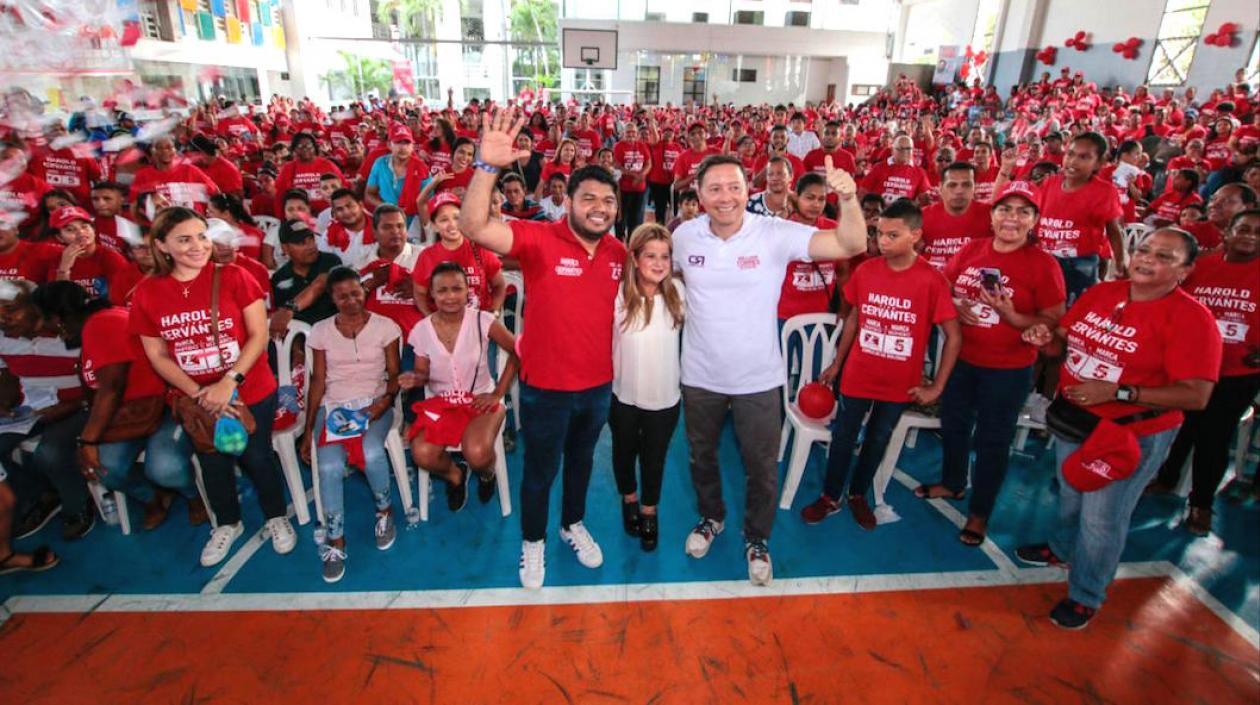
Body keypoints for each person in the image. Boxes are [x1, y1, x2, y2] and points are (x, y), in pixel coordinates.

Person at [672, 153, 866, 585]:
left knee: (760, 465)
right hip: (700, 375)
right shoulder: (684, 236)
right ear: (699, 194)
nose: (726, 197)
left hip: (758, 377)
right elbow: (666, 280)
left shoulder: (775, 234)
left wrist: (848, 199)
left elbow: (850, 245)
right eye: (715, 189)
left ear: (749, 190)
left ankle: (756, 538)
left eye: (735, 187)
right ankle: (711, 518)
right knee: (701, 457)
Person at [1016, 227, 1221, 629]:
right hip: (1076, 420)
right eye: (1144, 250)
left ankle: (1086, 593)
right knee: (1070, 491)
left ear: (1187, 270)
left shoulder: (1193, 320)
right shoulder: (1101, 294)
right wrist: (1044, 338)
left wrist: (1120, 392)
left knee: (1102, 516)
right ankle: (1060, 548)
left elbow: (1196, 395)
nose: (1147, 259)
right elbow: (1061, 342)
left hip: (1131, 433)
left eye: (1165, 257)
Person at [459, 110, 627, 590]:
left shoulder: (618, 253)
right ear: (568, 201)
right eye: (589, 198)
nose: (599, 207)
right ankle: (533, 541)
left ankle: (572, 524)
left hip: (597, 387)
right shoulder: (539, 238)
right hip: (546, 388)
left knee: (581, 464)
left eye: (608, 201)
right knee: (539, 471)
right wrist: (487, 168)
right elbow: (474, 225)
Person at [130, 207, 297, 567]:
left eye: (202, 236)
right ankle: (227, 523)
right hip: (196, 396)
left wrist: (228, 382)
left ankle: (275, 515)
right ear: (162, 245)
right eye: (184, 239)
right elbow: (157, 355)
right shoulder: (146, 293)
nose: (198, 246)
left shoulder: (235, 277)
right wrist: (198, 393)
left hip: (249, 388)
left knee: (257, 456)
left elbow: (258, 335)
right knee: (213, 460)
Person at [914, 181, 1066, 545]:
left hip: (1007, 370)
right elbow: (943, 285)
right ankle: (953, 483)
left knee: (992, 440)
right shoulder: (972, 249)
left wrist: (1014, 318)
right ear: (992, 215)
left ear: (1034, 221)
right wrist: (956, 304)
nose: (1011, 218)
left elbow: (1053, 322)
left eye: (1022, 211)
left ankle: (980, 513)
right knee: (952, 424)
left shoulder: (1043, 265)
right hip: (961, 361)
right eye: (1004, 209)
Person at [806, 199, 961, 530]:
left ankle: (858, 494)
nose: (882, 242)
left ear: (916, 235)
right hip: (858, 375)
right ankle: (830, 496)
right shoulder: (867, 270)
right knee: (844, 436)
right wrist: (837, 363)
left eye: (892, 235)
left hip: (898, 383)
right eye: (878, 234)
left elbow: (953, 335)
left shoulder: (931, 279)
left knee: (878, 439)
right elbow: (854, 319)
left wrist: (937, 386)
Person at [32, 281, 203, 531]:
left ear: (57, 317)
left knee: (165, 468)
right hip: (126, 415)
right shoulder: (91, 327)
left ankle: (193, 496)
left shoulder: (102, 324)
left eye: (42, 319)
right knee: (103, 468)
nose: (44, 328)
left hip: (163, 406)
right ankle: (153, 497)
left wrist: (87, 441)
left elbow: (112, 388)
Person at [1147, 209, 1260, 534]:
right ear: (1228, 231)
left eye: (1256, 231)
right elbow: (1169, 301)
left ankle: (1201, 504)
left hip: (1235, 372)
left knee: (1214, 436)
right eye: (1243, 229)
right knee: (1178, 427)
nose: (1249, 236)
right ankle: (1166, 479)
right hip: (1186, 365)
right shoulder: (1202, 267)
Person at [300, 267, 402, 583]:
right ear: (332, 299)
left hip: (374, 403)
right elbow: (317, 382)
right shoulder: (320, 331)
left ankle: (385, 511)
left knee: (372, 452)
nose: (351, 300)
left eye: (356, 293)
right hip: (334, 409)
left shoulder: (386, 327)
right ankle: (336, 538)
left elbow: (394, 377)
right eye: (342, 296)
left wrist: (381, 405)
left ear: (364, 291)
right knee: (328, 467)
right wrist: (307, 431)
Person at [404, 261, 518, 511]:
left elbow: (518, 351)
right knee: (421, 452)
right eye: (442, 290)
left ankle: (487, 473)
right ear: (432, 294)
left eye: (457, 288)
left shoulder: (483, 320)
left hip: (481, 398)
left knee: (477, 453)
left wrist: (498, 392)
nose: (450, 296)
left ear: (468, 291)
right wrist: (415, 378)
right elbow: (422, 374)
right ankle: (455, 476)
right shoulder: (422, 330)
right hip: (441, 403)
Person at [611, 223, 684, 552]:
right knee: (624, 452)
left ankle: (649, 509)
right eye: (650, 255)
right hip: (623, 395)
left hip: (665, 397)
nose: (658, 263)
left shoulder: (679, 295)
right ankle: (629, 497)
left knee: (655, 458)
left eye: (665, 256)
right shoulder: (618, 296)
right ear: (635, 258)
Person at [0, 281, 93, 539]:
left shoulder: (68, 333)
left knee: (50, 452)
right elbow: (6, 380)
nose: (3, 318)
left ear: (35, 309)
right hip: (31, 410)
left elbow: (103, 386)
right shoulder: (2, 338)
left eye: (10, 309)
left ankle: (77, 504)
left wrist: (73, 405)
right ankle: (41, 493)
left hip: (81, 406)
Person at [413, 193, 506, 316]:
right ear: (434, 226)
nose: (452, 224)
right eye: (444, 219)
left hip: (479, 326)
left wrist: (493, 312)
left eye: (456, 217)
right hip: (444, 328)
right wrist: (431, 320)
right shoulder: (426, 256)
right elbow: (419, 293)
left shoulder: (480, 250)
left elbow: (499, 285)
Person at [47, 206, 139, 307]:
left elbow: (122, 301)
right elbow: (58, 303)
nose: (81, 233)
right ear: (59, 237)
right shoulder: (57, 259)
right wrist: (64, 269)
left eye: (84, 226)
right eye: (70, 230)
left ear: (94, 229)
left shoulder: (112, 258)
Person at [269, 218, 342, 338]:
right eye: (301, 243)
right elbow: (283, 320)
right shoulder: (280, 277)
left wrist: (289, 308)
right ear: (285, 248)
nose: (310, 246)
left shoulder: (330, 261)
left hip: (334, 333)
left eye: (311, 239)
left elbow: (319, 285)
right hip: (302, 339)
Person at [920, 162, 993, 272]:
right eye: (952, 185)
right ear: (940, 187)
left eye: (966, 185)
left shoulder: (992, 216)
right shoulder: (921, 216)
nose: (959, 191)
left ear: (975, 187)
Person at [274, 132, 344, 217]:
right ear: (294, 149)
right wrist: (281, 218)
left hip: (329, 215)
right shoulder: (288, 168)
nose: (305, 149)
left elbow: (343, 188)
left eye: (308, 145)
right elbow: (280, 195)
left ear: (314, 147)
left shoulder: (328, 165)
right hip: (299, 217)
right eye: (300, 146)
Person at [613, 121, 652, 238]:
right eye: (628, 132)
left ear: (637, 134)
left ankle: (632, 242)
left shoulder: (642, 145)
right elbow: (617, 166)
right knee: (621, 217)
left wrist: (641, 175)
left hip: (640, 188)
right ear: (624, 133)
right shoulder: (618, 146)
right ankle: (619, 241)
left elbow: (648, 163)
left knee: (637, 219)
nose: (631, 135)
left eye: (633, 132)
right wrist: (634, 175)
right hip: (623, 189)